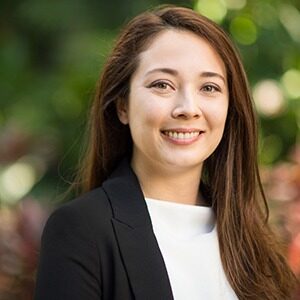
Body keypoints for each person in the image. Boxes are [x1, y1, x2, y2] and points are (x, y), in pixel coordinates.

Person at [34, 5, 297, 300]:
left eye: (209, 87)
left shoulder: (255, 243)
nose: (187, 108)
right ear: (123, 105)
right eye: (163, 84)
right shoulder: (81, 231)